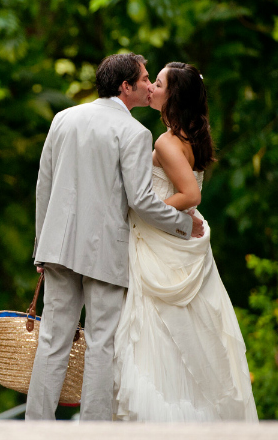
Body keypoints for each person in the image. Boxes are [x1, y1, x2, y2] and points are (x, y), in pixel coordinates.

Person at [26, 53, 204, 421]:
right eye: (143, 79)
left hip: (57, 248)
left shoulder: (63, 118)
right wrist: (185, 226)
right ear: (125, 87)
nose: (149, 85)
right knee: (100, 346)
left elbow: (43, 185)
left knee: (52, 343)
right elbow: (140, 201)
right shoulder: (134, 133)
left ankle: (35, 428)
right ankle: (94, 431)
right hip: (104, 254)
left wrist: (40, 249)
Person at [112, 62, 258, 422]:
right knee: (187, 335)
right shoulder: (183, 136)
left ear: (170, 95)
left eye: (156, 82)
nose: (150, 87)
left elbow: (190, 194)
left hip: (164, 244)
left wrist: (147, 209)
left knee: (159, 333)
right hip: (174, 243)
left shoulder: (166, 140)